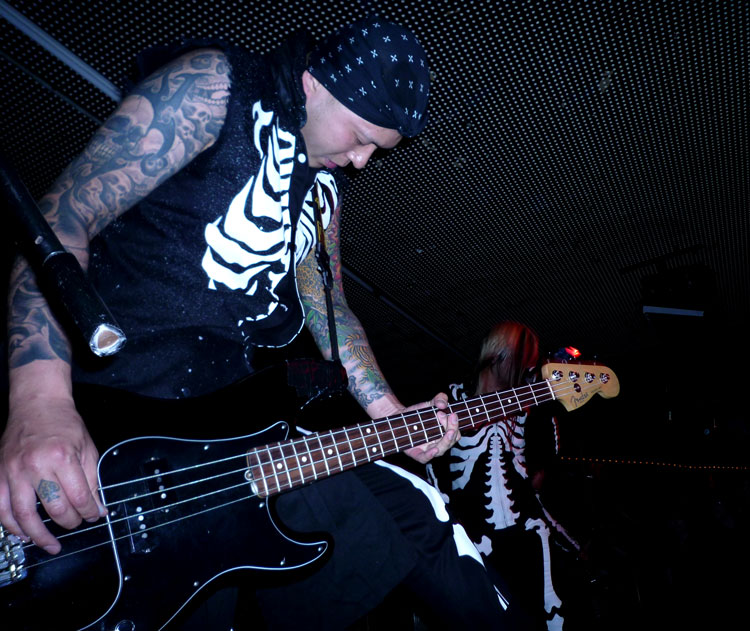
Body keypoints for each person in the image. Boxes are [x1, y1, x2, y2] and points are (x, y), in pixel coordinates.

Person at [1, 16, 512, 630]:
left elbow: (330, 306)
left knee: (361, 554)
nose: (360, 161)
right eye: (360, 137)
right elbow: (62, 219)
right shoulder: (217, 85)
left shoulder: (323, 191)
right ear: (314, 82)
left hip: (224, 438)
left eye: (376, 150)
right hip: (115, 407)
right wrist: (39, 403)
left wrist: (390, 415)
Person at [427, 321, 584, 630]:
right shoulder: (454, 400)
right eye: (524, 362)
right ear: (500, 356)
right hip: (473, 544)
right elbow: (432, 471)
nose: (528, 371)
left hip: (526, 541)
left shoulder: (529, 411)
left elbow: (537, 483)